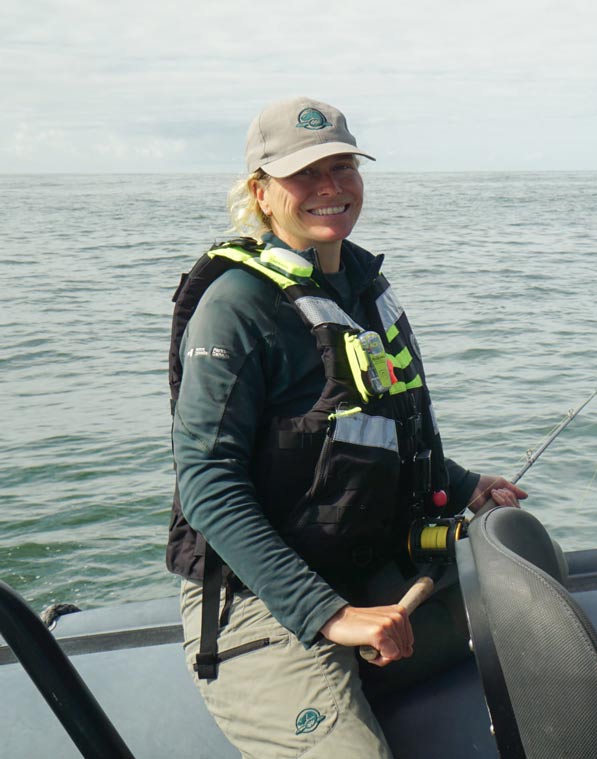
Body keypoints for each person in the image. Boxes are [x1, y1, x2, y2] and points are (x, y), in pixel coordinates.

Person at [166, 96, 526, 758]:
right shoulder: (235, 309)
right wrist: (329, 614)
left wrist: (464, 483)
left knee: (534, 585)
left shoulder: (358, 289)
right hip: (259, 599)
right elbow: (207, 485)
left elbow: (364, 440)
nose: (330, 188)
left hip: (365, 569)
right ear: (261, 194)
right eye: (305, 174)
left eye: (343, 167)